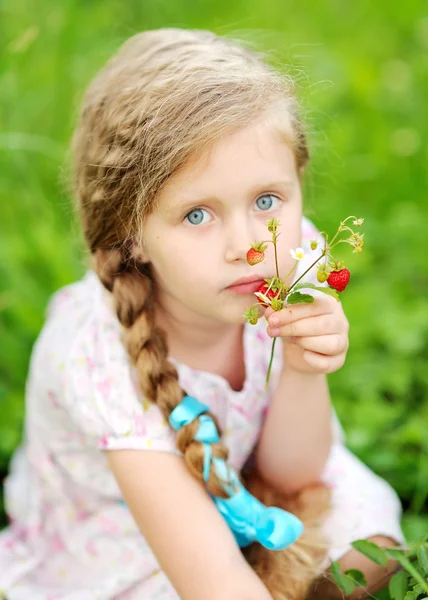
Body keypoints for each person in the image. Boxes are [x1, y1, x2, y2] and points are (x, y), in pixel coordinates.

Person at [0, 28, 404, 600]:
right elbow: (214, 586)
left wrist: (304, 366)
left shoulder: (289, 260)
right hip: (129, 528)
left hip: (249, 476)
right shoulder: (97, 358)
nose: (249, 246)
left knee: (371, 549)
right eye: (197, 215)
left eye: (266, 200)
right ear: (131, 235)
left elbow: (293, 476)